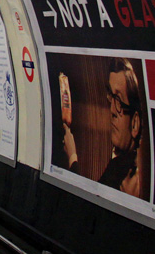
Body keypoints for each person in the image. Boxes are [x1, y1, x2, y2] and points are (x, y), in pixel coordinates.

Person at [60, 58, 145, 198]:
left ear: (135, 123)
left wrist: (72, 156)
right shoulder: (119, 166)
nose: (111, 110)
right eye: (111, 96)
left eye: (118, 101)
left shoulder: (121, 174)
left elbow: (84, 205)